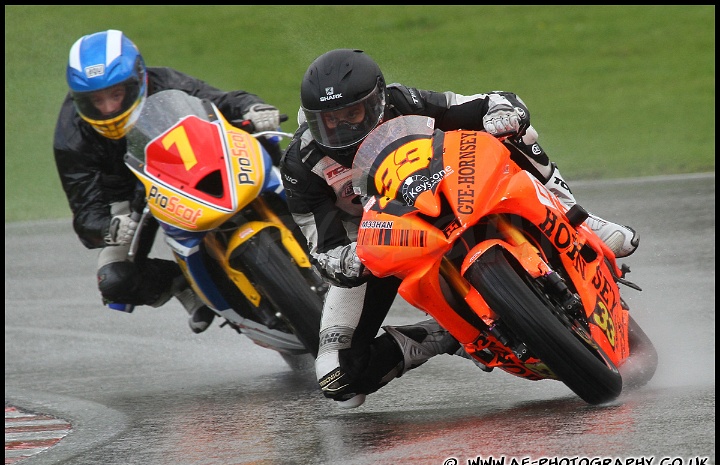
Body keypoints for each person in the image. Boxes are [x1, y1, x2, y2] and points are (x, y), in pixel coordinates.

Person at [279, 48, 640, 408]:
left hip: (450, 188)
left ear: (376, 100)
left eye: (352, 113)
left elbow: (488, 102)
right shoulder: (301, 164)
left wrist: (502, 113)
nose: (343, 127)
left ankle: (578, 215)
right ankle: (446, 334)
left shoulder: (402, 101)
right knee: (339, 379)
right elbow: (322, 247)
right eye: (330, 121)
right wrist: (345, 262)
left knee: (517, 132)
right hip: (379, 242)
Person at [53, 29, 283, 333]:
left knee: (266, 139)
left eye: (116, 95)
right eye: (96, 100)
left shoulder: (163, 81)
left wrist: (252, 108)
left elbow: (219, 100)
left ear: (138, 79)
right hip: (130, 201)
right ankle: (181, 284)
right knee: (114, 280)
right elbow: (85, 210)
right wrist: (106, 228)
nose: (108, 109)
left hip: (184, 167)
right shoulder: (70, 136)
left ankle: (321, 217)